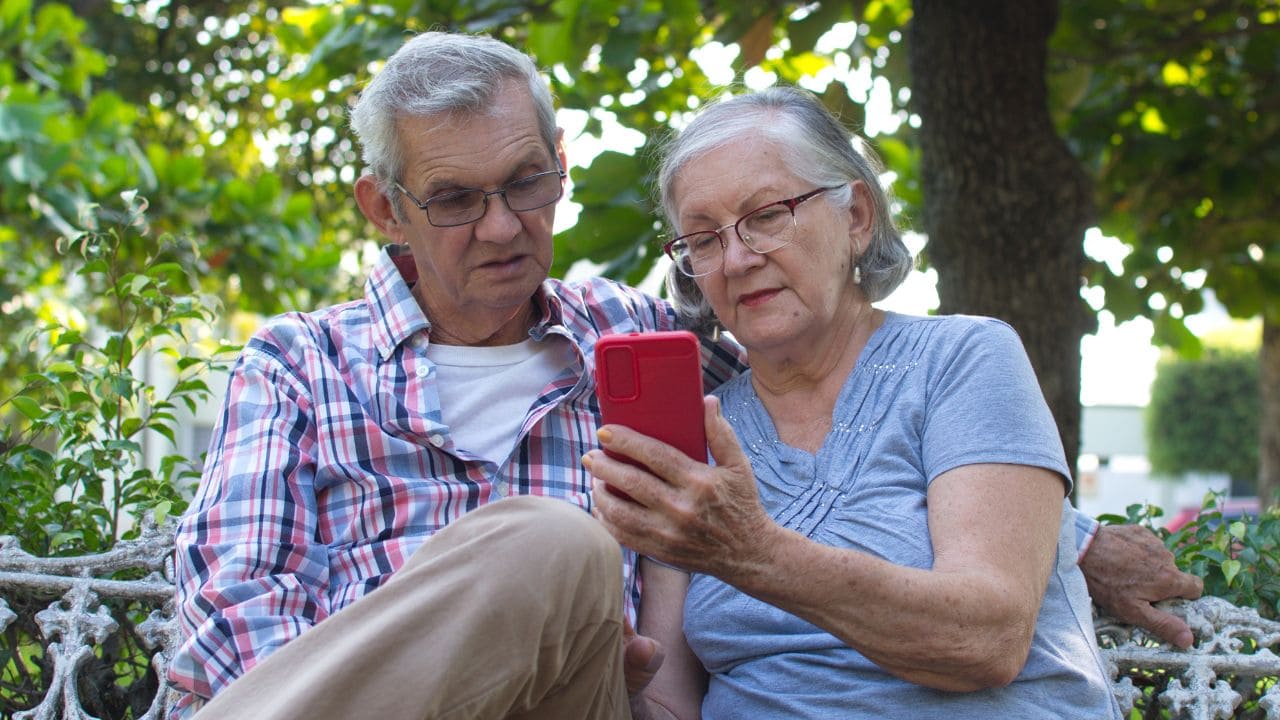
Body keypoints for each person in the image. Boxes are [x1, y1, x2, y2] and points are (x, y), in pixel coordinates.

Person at [169, 30, 1200, 719]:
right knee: (549, 545)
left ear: (854, 214)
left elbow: (865, 445)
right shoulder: (300, 365)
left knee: (552, 544)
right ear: (384, 208)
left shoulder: (643, 355)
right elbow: (229, 603)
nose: (499, 224)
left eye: (525, 181)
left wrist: (1062, 535)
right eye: (452, 199)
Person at [585, 86, 1192, 719]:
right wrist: (617, 686)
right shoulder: (699, 429)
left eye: (766, 215)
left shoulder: (961, 360)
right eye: (703, 239)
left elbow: (987, 639)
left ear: (856, 216)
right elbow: (672, 700)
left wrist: (753, 553)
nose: (736, 259)